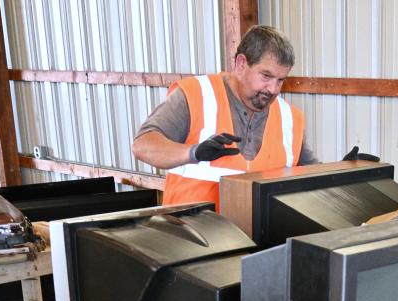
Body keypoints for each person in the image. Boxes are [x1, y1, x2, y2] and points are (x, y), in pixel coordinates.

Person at [132, 25, 318, 211]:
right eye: (266, 76)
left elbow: (316, 176)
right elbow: (143, 145)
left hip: (258, 238)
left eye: (280, 80)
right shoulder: (196, 95)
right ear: (241, 64)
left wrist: (346, 168)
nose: (273, 89)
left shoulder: (290, 118)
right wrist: (193, 153)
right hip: (191, 235)